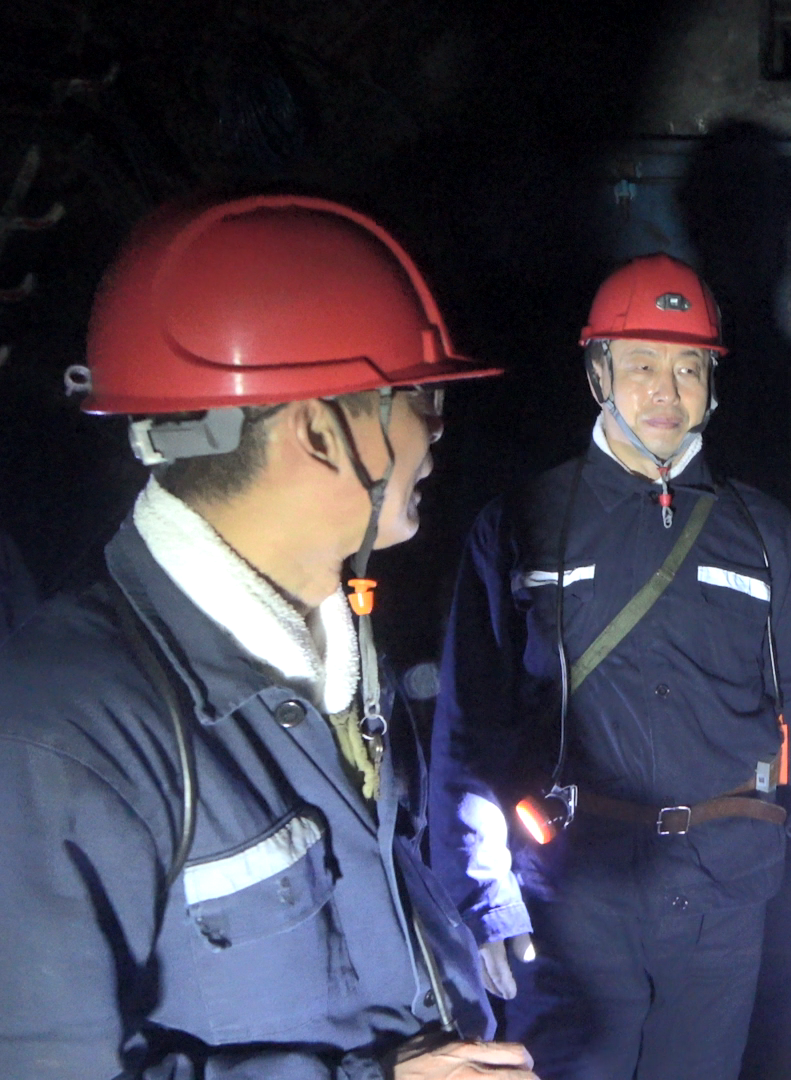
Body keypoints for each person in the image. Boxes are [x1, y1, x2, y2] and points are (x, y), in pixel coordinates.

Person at [0, 195, 533, 1079]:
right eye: (420, 396)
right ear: (320, 433)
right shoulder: (62, 735)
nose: (438, 429)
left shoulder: (341, 647)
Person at [431, 254, 791, 1080]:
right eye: (642, 365)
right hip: (574, 891)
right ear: (598, 375)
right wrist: (483, 896)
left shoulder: (763, 530)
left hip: (725, 888)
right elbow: (470, 722)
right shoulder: (522, 522)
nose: (667, 391)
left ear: (712, 383)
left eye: (689, 367)